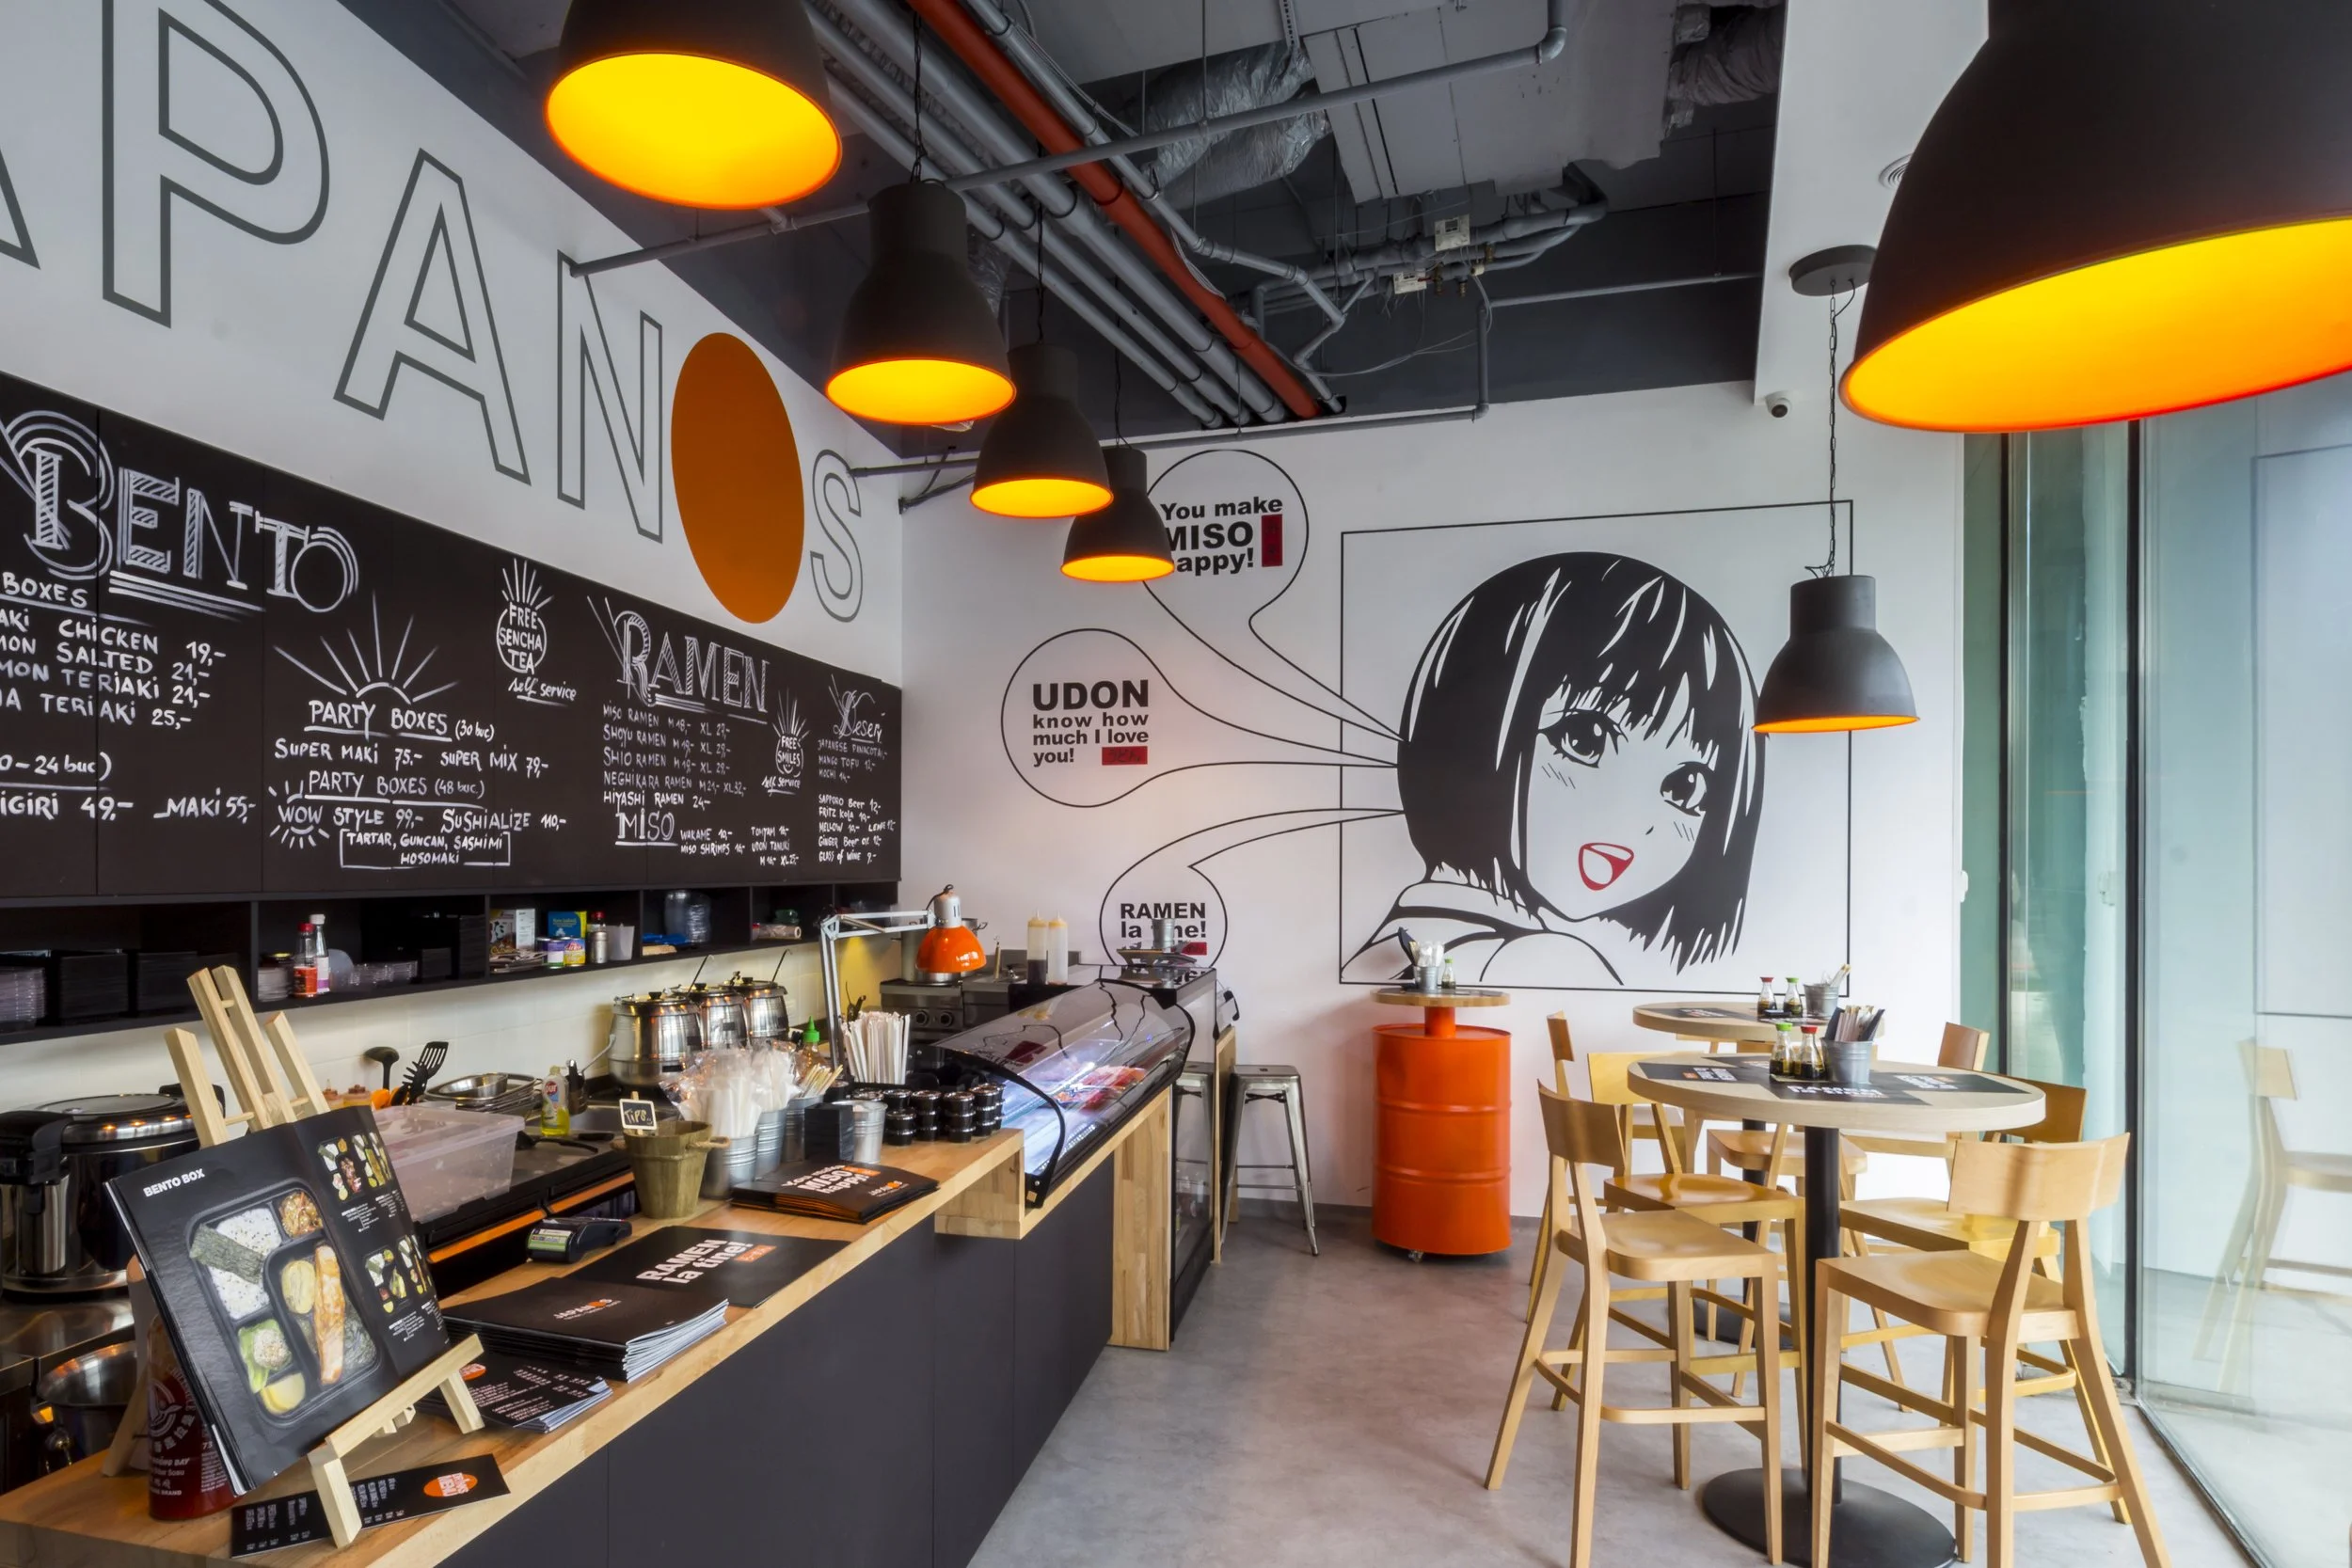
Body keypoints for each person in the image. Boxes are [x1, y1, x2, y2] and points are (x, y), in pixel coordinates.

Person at [1348, 551, 1764, 987]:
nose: (1633, 821)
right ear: (1475, 729)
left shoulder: (1414, 932)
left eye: (1686, 789)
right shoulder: (1541, 955)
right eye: (1583, 739)